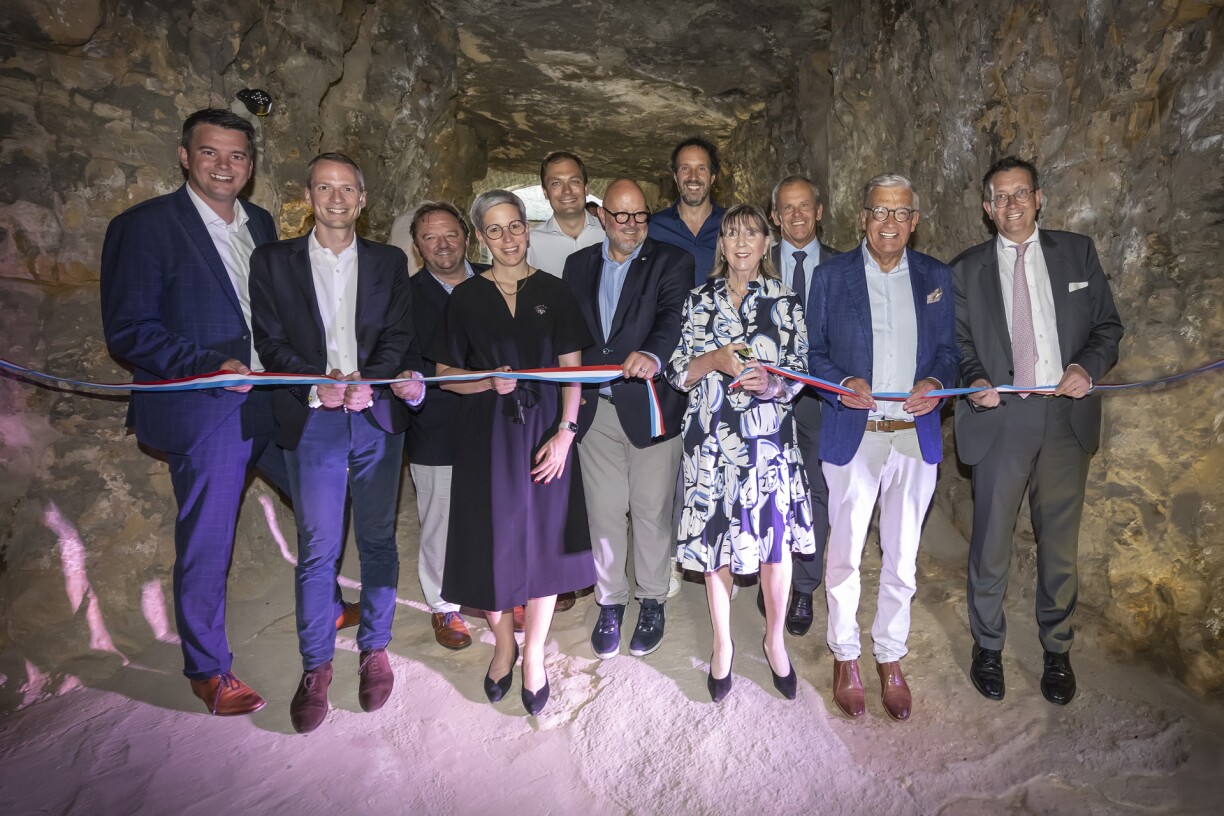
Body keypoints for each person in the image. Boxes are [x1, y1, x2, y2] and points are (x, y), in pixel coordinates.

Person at [99, 109, 354, 718]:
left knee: (325, 494)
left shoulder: (261, 223)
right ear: (185, 155)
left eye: (237, 156)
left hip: (275, 399)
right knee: (208, 540)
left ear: (251, 164)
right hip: (207, 408)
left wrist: (323, 363)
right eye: (211, 153)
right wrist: (208, 364)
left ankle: (327, 601)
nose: (224, 165)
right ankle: (208, 669)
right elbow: (129, 330)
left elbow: (281, 310)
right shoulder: (145, 226)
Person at [250, 152, 424, 733]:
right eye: (325, 188)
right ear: (309, 196)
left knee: (377, 539)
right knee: (319, 545)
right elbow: (270, 341)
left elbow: (400, 332)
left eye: (347, 188)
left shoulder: (389, 260)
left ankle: (374, 648)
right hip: (313, 418)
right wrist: (318, 386)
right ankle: (316, 664)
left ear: (364, 197)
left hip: (374, 416)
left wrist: (369, 384)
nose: (337, 198)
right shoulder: (273, 261)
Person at [952, 156, 1123, 706]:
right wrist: (974, 376)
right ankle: (987, 645)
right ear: (987, 207)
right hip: (1000, 416)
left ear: (1039, 197)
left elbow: (1107, 327)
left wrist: (1086, 368)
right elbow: (954, 344)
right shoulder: (966, 269)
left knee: (1060, 546)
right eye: (1000, 197)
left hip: (1063, 416)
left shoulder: (1078, 252)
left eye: (1020, 193)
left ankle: (1057, 649)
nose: (1012, 205)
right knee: (991, 542)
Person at [428, 189, 595, 716]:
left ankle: (535, 657)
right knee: (493, 542)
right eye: (494, 229)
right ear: (481, 236)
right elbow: (446, 378)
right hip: (488, 435)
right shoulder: (465, 298)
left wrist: (567, 433)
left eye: (515, 226)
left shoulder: (556, 291)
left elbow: (574, 372)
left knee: (544, 543)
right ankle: (503, 646)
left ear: (528, 227)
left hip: (547, 427)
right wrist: (485, 384)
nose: (507, 238)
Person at [806, 173, 959, 722]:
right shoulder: (831, 276)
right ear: (863, 219)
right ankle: (845, 655)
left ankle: (891, 656)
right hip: (856, 437)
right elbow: (813, 354)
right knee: (844, 554)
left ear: (914, 221)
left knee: (903, 557)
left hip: (913, 441)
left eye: (900, 213)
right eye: (879, 211)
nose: (889, 223)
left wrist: (938, 386)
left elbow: (948, 352)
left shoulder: (936, 277)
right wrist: (843, 383)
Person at [664, 204, 815, 703]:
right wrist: (715, 360)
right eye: (732, 234)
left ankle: (774, 640)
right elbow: (677, 373)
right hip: (710, 442)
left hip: (767, 443)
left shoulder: (787, 301)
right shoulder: (697, 300)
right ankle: (723, 642)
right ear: (721, 246)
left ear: (766, 243)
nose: (742, 242)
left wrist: (773, 385)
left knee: (776, 546)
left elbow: (800, 373)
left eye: (752, 233)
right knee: (715, 546)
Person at [562, 179, 693, 660]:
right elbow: (568, 331)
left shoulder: (672, 260)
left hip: (651, 406)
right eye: (622, 216)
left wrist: (654, 356)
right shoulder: (576, 267)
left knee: (652, 511)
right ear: (602, 216)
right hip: (596, 411)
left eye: (640, 215)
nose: (633, 225)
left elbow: (672, 317)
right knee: (604, 512)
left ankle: (653, 599)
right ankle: (611, 601)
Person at [754, 174, 837, 636]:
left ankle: (803, 587)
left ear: (819, 211)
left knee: (814, 491)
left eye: (805, 206)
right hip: (764, 396)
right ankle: (772, 581)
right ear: (774, 217)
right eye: (787, 208)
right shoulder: (756, 266)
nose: (797, 215)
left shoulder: (845, 267)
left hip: (820, 400)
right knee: (766, 489)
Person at [403, 201, 485, 650]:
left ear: (467, 237)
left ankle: (492, 593)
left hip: (496, 421)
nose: (442, 244)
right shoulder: (405, 293)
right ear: (418, 247)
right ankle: (443, 606)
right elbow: (403, 357)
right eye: (430, 238)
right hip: (436, 422)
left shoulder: (498, 278)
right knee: (440, 518)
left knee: (493, 512)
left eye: (450, 234)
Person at [648, 137, 726, 286]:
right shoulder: (653, 227)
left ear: (713, 178)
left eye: (701, 168)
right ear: (676, 177)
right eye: (685, 168)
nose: (693, 177)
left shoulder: (732, 225)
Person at [526, 151, 605, 277]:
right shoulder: (530, 244)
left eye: (574, 181)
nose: (567, 190)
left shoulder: (609, 234)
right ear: (545, 192)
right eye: (556, 183)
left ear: (586, 188)